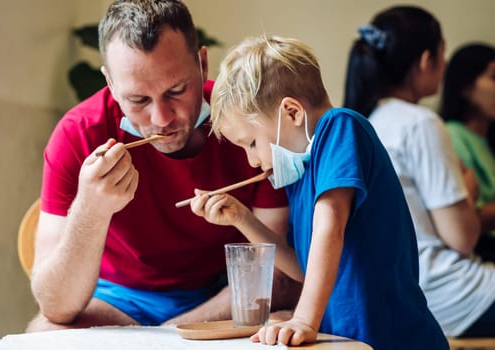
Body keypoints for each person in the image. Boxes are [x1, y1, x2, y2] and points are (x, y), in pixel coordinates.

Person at [27, 0, 302, 331]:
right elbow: (56, 306)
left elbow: (278, 274)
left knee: (282, 322)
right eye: (138, 100)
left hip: (220, 294)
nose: (162, 119)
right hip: (116, 300)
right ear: (111, 84)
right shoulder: (79, 134)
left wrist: (163, 336)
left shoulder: (246, 128)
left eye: (176, 90)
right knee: (44, 332)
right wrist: (90, 209)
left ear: (201, 64)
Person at [188, 34, 448, 349]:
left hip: (393, 338)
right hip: (347, 339)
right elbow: (302, 267)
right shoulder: (302, 172)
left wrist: (304, 319)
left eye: (252, 143)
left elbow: (330, 228)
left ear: (292, 113)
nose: (252, 160)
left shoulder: (339, 128)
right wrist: (241, 218)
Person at [344, 5, 495, 338]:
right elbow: (462, 237)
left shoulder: (361, 123)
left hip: (399, 291)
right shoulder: (420, 123)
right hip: (450, 295)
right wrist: (467, 192)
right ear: (427, 60)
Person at [440, 43, 495, 262]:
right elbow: (470, 221)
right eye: (493, 78)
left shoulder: (488, 138)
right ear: (465, 87)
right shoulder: (453, 136)